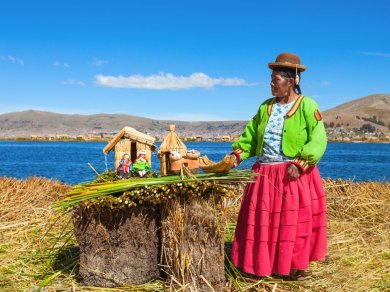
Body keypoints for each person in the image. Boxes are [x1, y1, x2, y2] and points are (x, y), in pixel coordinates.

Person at [230, 52, 327, 279]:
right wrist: (235, 157)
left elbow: (318, 139)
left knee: (291, 223)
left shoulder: (307, 105)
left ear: (291, 81)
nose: (271, 84)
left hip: (292, 173)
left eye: (276, 80)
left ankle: (292, 266)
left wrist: (301, 162)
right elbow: (251, 137)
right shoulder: (266, 107)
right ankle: (262, 265)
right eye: (271, 79)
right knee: (264, 222)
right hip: (264, 174)